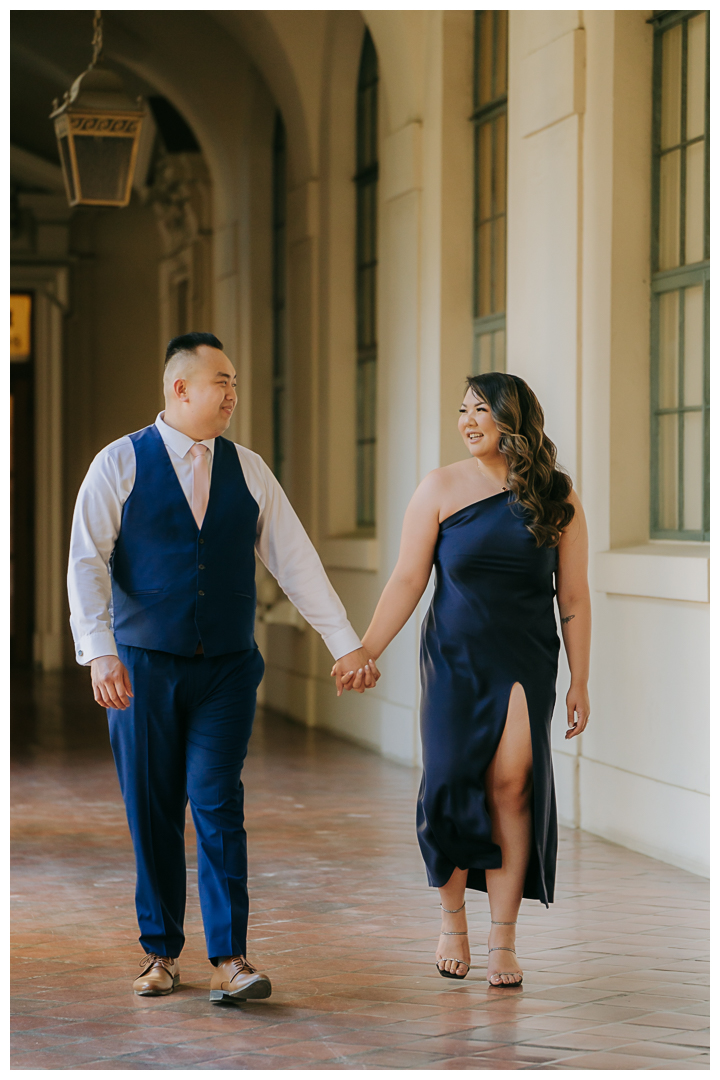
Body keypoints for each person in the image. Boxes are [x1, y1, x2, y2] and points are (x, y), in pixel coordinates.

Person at [67, 332, 378, 1003]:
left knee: (217, 802)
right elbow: (86, 563)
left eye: (234, 382)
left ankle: (230, 959)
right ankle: (159, 953)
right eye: (222, 381)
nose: (233, 393)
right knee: (152, 810)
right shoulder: (119, 463)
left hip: (228, 670)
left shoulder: (250, 469)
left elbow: (295, 561)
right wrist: (100, 652)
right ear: (179, 388)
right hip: (142, 668)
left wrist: (344, 642)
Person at [341, 372, 591, 987]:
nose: (468, 420)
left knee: (513, 785)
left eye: (481, 409)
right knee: (449, 784)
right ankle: (452, 922)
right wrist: (364, 649)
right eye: (463, 410)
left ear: (514, 419)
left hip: (524, 657)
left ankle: (503, 942)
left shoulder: (557, 493)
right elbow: (407, 579)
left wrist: (579, 681)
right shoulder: (439, 487)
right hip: (454, 656)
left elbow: (575, 597)